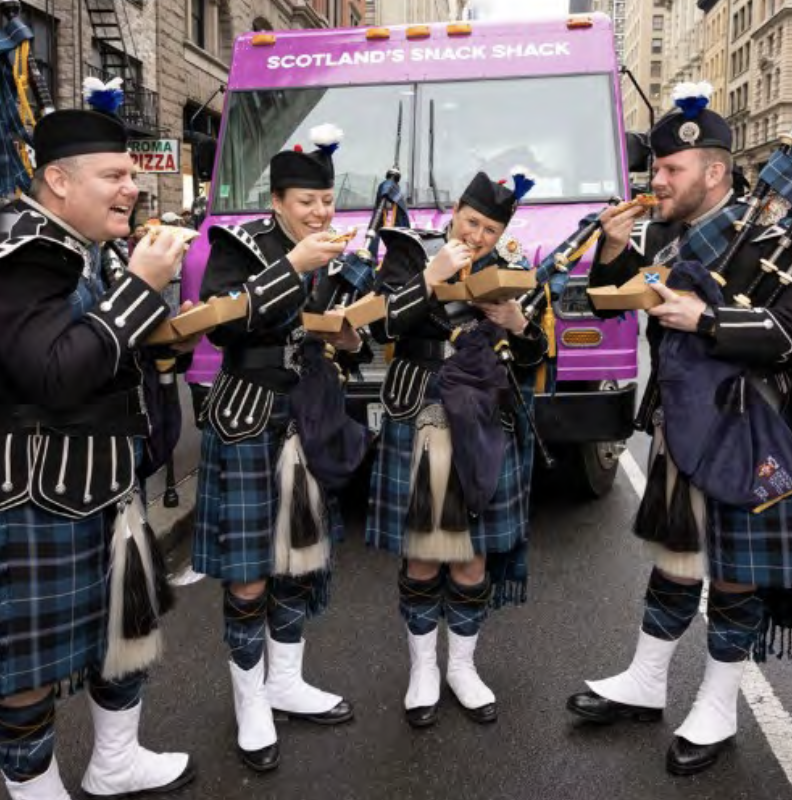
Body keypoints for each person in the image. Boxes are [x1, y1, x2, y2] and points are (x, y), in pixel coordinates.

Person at [567, 83, 792, 776]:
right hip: (677, 427)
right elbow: (611, 309)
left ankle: (719, 705)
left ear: (714, 172)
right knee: (674, 560)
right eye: (656, 168)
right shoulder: (661, 234)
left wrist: (710, 321)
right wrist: (609, 249)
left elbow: (788, 334)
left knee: (733, 579)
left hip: (747, 429)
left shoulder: (774, 239)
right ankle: (645, 681)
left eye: (671, 170)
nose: (655, 180)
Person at [0, 100, 194, 796]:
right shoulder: (21, 249)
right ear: (57, 180)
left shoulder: (87, 244)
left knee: (125, 627)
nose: (132, 187)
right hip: (38, 494)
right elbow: (51, 374)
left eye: (132, 173)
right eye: (113, 174)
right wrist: (142, 290)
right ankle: (33, 789)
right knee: (26, 669)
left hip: (105, 481)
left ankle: (115, 760)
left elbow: (107, 344)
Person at [193, 124, 362, 774]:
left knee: (299, 557)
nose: (321, 213)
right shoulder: (238, 245)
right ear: (277, 202)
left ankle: (285, 680)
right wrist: (293, 268)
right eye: (306, 203)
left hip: (308, 414)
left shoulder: (331, 255)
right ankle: (249, 702)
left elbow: (331, 329)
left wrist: (348, 338)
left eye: (326, 202)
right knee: (248, 569)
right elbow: (220, 320)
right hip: (246, 418)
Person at [366, 170, 551, 728]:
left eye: (490, 230)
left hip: (484, 421)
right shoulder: (408, 252)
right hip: (419, 412)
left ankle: (462, 668)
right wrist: (431, 276)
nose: (477, 236)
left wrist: (518, 324)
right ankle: (423, 669)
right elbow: (380, 329)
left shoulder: (512, 270)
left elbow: (536, 356)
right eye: (471, 222)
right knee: (423, 554)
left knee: (473, 557)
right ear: (455, 211)